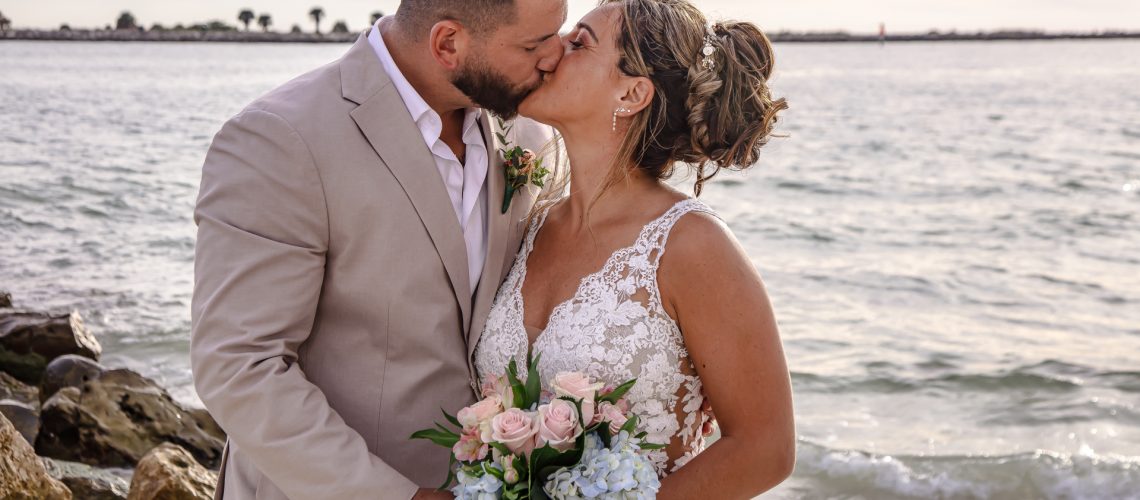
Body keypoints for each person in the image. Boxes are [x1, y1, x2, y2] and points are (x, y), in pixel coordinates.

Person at [189, 0, 566, 498]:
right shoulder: (281, 139)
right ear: (448, 43)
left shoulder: (530, 132)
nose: (556, 55)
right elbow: (239, 365)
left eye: (557, 33)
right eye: (534, 43)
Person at [473, 0, 796, 497]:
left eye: (580, 42)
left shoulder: (690, 245)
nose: (554, 49)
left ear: (632, 92)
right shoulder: (530, 222)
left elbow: (764, 448)